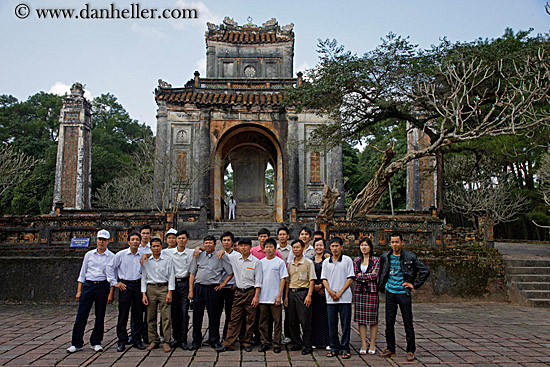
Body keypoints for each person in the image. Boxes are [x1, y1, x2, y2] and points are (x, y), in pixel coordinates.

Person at [378, 232, 430, 362]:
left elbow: (425, 270)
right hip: (390, 292)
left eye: (397, 242)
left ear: (402, 242)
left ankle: (411, 350)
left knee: (408, 322)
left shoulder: (410, 257)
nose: (394, 245)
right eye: (392, 242)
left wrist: (414, 285)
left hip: (403, 293)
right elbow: (381, 272)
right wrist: (383, 285)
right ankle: (390, 348)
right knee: (389, 322)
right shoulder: (385, 257)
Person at [67, 229, 115, 353]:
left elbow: (113, 277)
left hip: (102, 286)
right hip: (89, 285)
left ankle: (96, 341)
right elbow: (82, 273)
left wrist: (111, 292)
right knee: (81, 315)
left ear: (108, 241)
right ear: (96, 240)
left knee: (100, 315)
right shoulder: (89, 255)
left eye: (104, 240)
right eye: (100, 239)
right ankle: (76, 343)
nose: (101, 242)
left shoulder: (112, 256)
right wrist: (79, 290)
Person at [216, 238, 263, 353]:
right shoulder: (234, 258)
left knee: (251, 320)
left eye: (246, 246)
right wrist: (221, 251)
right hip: (238, 293)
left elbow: (258, 281)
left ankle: (247, 342)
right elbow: (223, 255)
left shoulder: (256, 262)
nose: (243, 248)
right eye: (241, 246)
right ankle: (229, 343)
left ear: (250, 246)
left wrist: (256, 296)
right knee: (234, 319)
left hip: (250, 293)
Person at [188, 235, 233, 350]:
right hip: (199, 288)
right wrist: (191, 290)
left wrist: (223, 284)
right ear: (203, 244)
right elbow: (192, 273)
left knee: (214, 315)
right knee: (197, 315)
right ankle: (196, 341)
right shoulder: (198, 255)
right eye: (206, 243)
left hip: (213, 289)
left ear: (214, 244)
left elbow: (230, 272)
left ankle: (214, 340)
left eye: (210, 243)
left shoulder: (220, 256)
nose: (208, 245)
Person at [106, 232, 146, 352]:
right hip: (125, 285)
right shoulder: (121, 254)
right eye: (132, 240)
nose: (135, 242)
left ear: (140, 242)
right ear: (128, 242)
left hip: (138, 285)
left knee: (138, 314)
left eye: (137, 240)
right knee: (123, 314)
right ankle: (122, 340)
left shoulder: (143, 255)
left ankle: (137, 339)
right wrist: (114, 282)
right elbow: (109, 267)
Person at [322, 237, 355, 359]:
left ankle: (345, 347)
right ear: (329, 248)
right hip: (330, 298)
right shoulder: (326, 262)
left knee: (345, 324)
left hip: (345, 298)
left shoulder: (347, 260)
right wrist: (330, 292)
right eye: (333, 246)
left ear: (342, 247)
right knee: (332, 324)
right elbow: (324, 279)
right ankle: (334, 346)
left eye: (337, 246)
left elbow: (350, 278)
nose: (335, 248)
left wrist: (340, 292)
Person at [141, 237, 175, 352]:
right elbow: (143, 277)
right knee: (151, 316)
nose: (156, 248)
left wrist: (170, 292)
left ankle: (166, 341)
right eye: (154, 246)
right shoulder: (146, 260)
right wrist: (144, 294)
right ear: (150, 248)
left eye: (158, 246)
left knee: (166, 316)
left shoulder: (167, 259)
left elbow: (171, 276)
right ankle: (153, 340)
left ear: (161, 247)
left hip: (164, 288)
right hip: (151, 288)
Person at [163, 229, 194, 350]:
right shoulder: (168, 252)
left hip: (185, 284)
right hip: (172, 284)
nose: (181, 240)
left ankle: (184, 339)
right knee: (174, 313)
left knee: (184, 312)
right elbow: (154, 253)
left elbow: (201, 250)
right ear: (176, 240)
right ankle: (176, 338)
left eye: (183, 238)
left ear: (187, 240)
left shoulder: (190, 252)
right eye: (179, 238)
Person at [258, 238, 288, 353]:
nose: (269, 249)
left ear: (275, 249)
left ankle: (276, 343)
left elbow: (283, 279)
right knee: (263, 322)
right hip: (263, 297)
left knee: (277, 322)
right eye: (267, 247)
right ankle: (265, 342)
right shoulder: (261, 262)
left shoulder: (280, 262)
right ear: (264, 248)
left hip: (275, 297)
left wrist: (279, 295)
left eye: (271, 247)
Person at [285, 239, 315, 355]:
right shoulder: (290, 263)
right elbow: (287, 281)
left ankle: (307, 345)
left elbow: (312, 280)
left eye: (298, 247)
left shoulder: (308, 262)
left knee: (305, 320)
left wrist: (309, 295)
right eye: (294, 248)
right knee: (292, 320)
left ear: (303, 248)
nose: (295, 249)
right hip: (292, 293)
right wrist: (286, 296)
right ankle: (296, 342)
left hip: (303, 293)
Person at [353, 237, 380, 355]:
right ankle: (363, 343)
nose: (364, 247)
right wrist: (366, 276)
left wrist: (362, 276)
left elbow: (375, 275)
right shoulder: (356, 260)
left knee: (373, 320)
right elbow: (355, 275)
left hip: (372, 292)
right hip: (359, 292)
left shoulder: (376, 260)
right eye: (362, 245)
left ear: (370, 247)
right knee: (361, 320)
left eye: (366, 245)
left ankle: (372, 343)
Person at [311, 238, 330, 350]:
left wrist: (321, 286)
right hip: (313, 291)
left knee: (325, 316)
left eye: (321, 245)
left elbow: (329, 275)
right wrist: (315, 287)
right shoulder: (310, 260)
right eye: (317, 245)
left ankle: (326, 341)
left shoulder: (327, 260)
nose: (319, 247)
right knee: (313, 317)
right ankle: (314, 341)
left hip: (324, 291)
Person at [218, 231, 237, 341]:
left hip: (231, 288)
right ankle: (215, 336)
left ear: (232, 242)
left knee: (230, 314)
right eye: (224, 240)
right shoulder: (218, 254)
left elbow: (239, 272)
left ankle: (227, 336)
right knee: (217, 313)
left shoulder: (237, 256)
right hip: (219, 287)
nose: (226, 242)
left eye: (228, 240)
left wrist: (235, 284)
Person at [276, 226, 292, 344]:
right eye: (280, 234)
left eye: (284, 234)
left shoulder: (292, 249)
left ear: (288, 236)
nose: (282, 236)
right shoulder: (273, 249)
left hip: (289, 282)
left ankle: (288, 334)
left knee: (288, 311)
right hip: (275, 282)